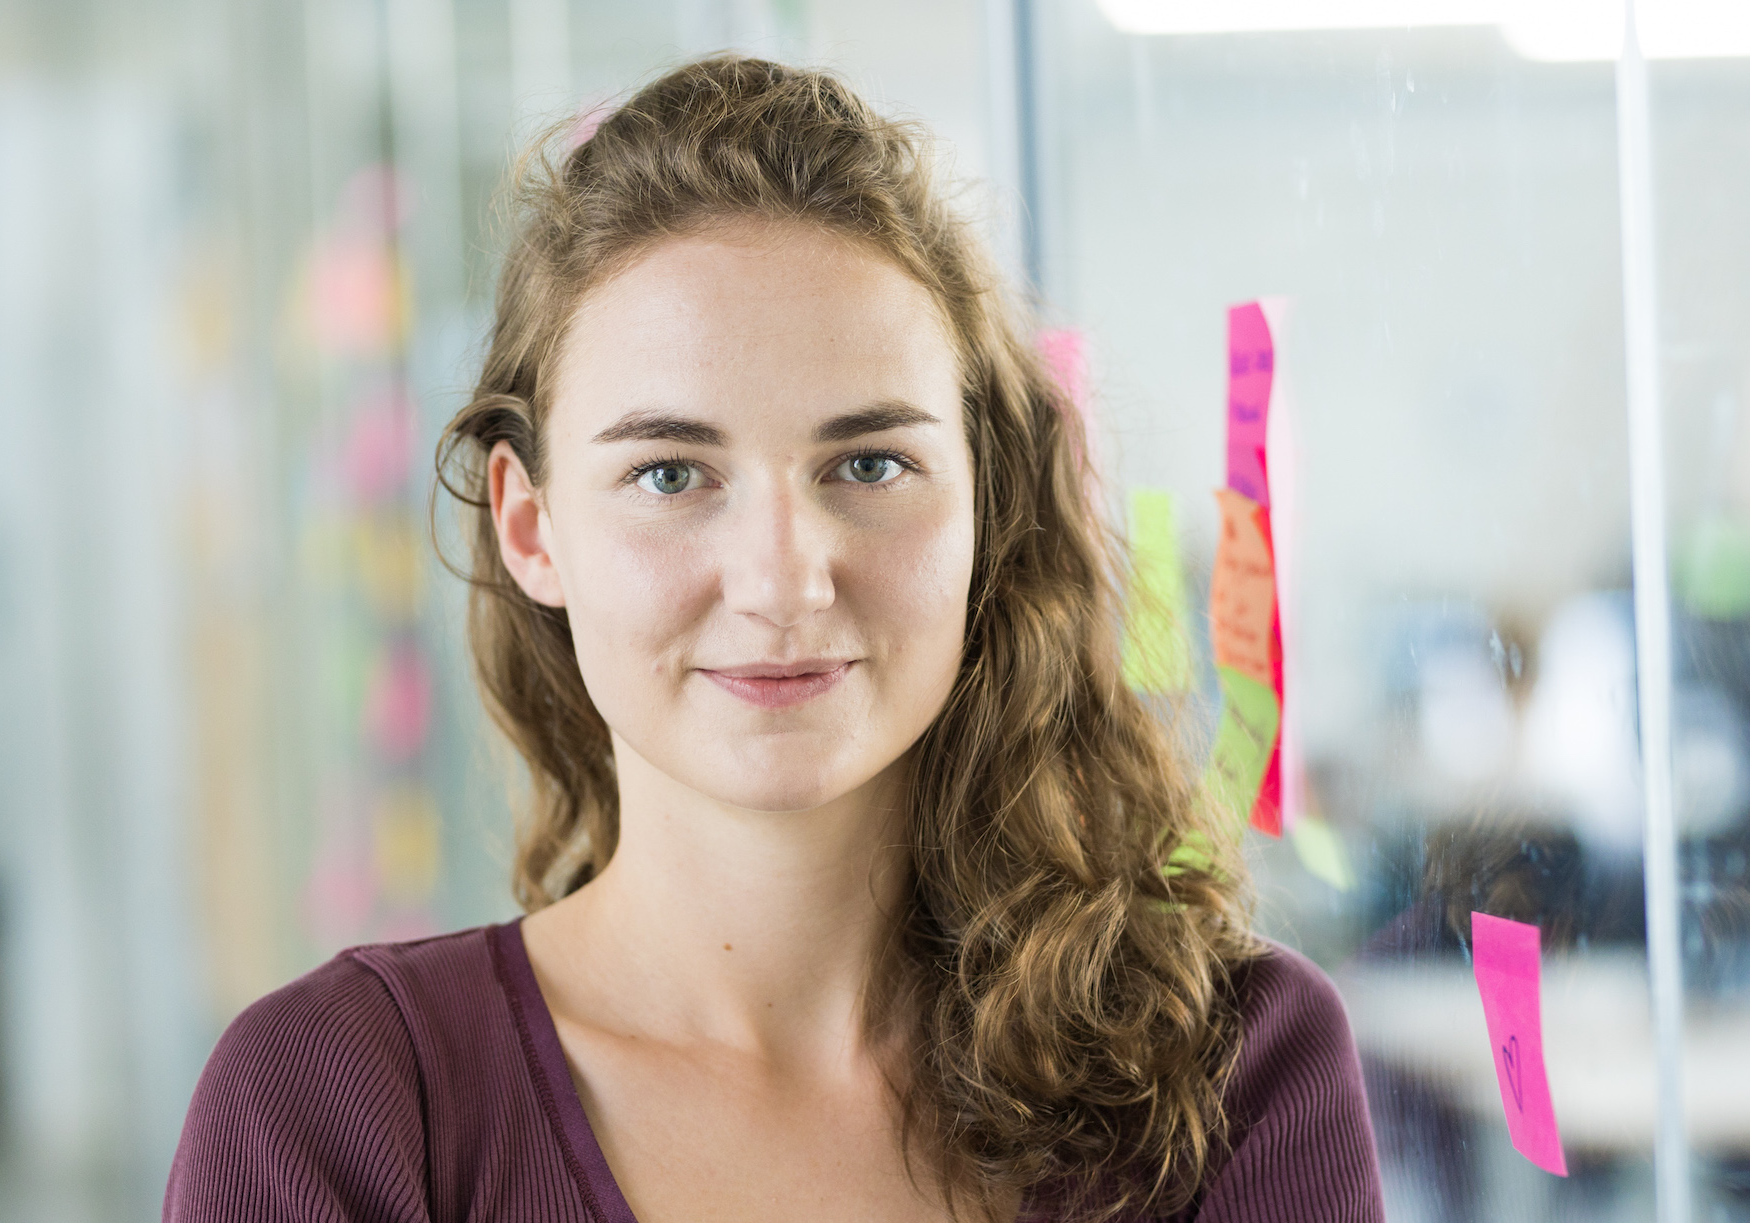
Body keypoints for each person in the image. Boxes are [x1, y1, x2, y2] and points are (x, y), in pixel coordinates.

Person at [166, 57, 1382, 1223]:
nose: (785, 576)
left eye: (869, 463)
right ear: (532, 527)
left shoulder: (1232, 1068)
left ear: (984, 508)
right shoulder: (341, 1105)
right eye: (670, 473)